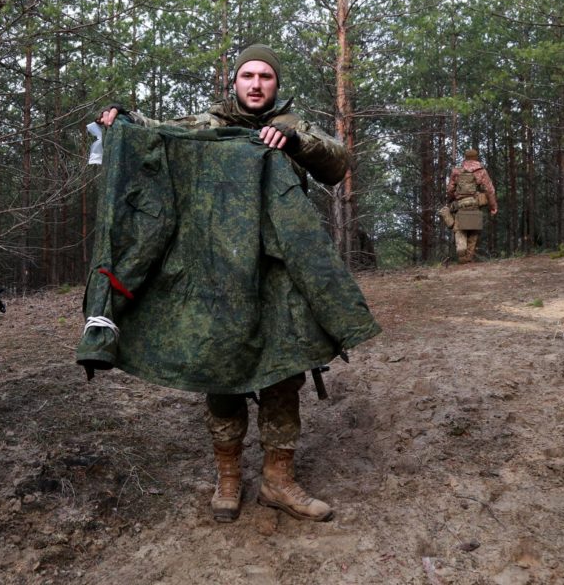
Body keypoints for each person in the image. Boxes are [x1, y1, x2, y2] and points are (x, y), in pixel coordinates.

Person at [95, 44, 367, 524]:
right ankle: (228, 478)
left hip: (279, 272)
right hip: (216, 270)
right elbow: (161, 135)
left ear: (276, 84)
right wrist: (127, 119)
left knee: (284, 372)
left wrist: (295, 139)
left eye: (265, 76)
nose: (257, 84)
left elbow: (337, 162)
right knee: (221, 369)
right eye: (248, 75)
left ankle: (279, 482)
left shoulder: (292, 124)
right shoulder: (209, 123)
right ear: (234, 82)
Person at [444, 148, 497, 263]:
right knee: (474, 231)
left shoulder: (457, 171)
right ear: (476, 158)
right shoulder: (481, 171)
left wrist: (452, 198)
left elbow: (449, 190)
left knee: (459, 229)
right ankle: (468, 257)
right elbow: (489, 190)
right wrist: (493, 207)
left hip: (460, 204)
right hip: (475, 204)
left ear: (465, 158)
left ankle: (461, 251)